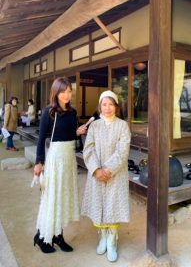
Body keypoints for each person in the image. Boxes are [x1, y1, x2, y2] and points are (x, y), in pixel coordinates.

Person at [33, 77, 87, 254]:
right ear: (56, 93)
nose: (67, 95)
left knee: (63, 197)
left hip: (69, 158)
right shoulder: (49, 112)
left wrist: (78, 132)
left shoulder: (72, 112)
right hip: (55, 159)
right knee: (52, 197)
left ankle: (58, 235)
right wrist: (39, 162)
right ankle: (42, 237)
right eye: (63, 92)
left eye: (69, 91)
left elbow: (71, 135)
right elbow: (41, 140)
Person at [81, 90, 131, 262]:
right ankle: (102, 235)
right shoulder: (94, 125)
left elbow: (123, 150)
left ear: (116, 107)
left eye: (111, 104)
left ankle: (112, 239)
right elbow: (88, 148)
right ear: (100, 106)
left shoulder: (122, 126)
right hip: (96, 174)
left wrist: (108, 170)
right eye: (104, 104)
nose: (107, 108)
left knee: (113, 205)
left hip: (115, 174)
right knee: (99, 204)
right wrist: (96, 170)